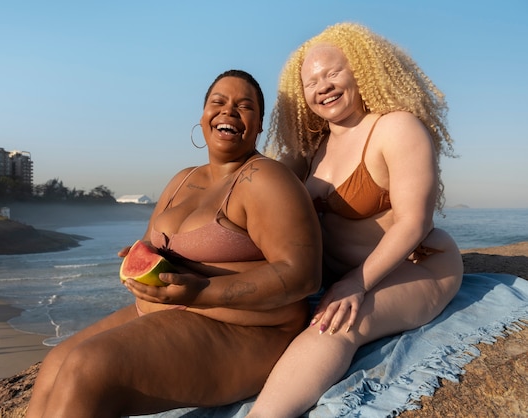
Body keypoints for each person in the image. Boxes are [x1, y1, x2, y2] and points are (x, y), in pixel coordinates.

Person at [25, 69, 322, 418]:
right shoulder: (183, 179)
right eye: (218, 102)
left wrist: (200, 292)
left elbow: (302, 275)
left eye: (245, 106)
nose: (229, 111)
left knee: (87, 368)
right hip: (173, 310)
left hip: (245, 329)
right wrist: (140, 255)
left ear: (259, 127)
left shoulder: (266, 179)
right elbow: (151, 243)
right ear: (203, 117)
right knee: (56, 364)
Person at [247, 22, 464, 417]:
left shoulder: (396, 128)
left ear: (361, 72)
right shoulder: (312, 148)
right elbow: (257, 198)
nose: (323, 86)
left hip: (417, 266)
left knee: (335, 326)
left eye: (333, 73)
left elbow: (413, 224)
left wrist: (354, 284)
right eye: (311, 82)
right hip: (339, 275)